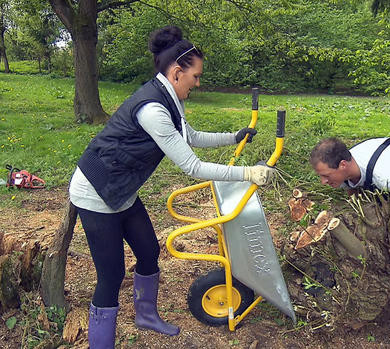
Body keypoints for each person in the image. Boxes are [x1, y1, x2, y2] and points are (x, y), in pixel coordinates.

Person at [69, 25, 275, 347]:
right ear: (178, 71)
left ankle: (146, 315)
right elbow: (192, 166)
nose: (197, 83)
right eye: (195, 76)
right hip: (95, 191)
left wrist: (233, 137)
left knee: (150, 251)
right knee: (111, 276)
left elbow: (189, 136)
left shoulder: (167, 96)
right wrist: (249, 173)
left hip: (121, 189)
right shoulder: (153, 109)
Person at [309, 137, 390, 329]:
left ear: (343, 165)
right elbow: (356, 196)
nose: (323, 182)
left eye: (326, 175)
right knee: (381, 226)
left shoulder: (388, 175)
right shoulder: (347, 173)